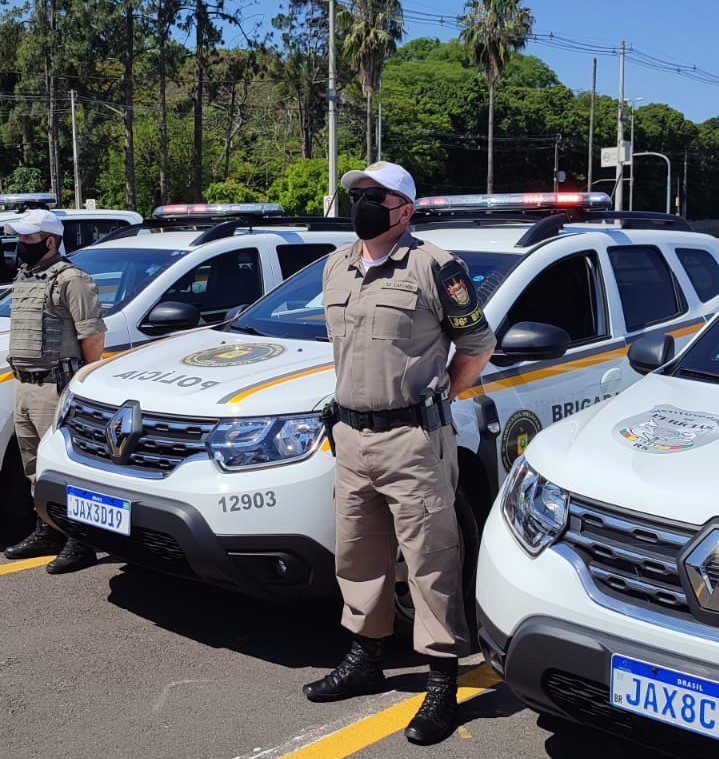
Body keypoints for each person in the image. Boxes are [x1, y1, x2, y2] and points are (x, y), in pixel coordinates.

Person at [305, 162, 496, 745]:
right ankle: (366, 656)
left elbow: (477, 344)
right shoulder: (336, 265)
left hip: (414, 440)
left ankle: (442, 680)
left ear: (405, 208)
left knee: (430, 561)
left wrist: (438, 398)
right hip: (351, 438)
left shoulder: (434, 266)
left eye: (375, 195)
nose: (361, 202)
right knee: (358, 555)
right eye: (356, 193)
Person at [2, 209, 106, 573]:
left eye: (28, 239)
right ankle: (48, 531)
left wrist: (80, 387)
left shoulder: (73, 280)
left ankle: (81, 543)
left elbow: (92, 337)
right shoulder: (26, 278)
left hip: (56, 387)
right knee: (34, 467)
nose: (20, 245)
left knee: (66, 467)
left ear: (50, 241)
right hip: (26, 387)